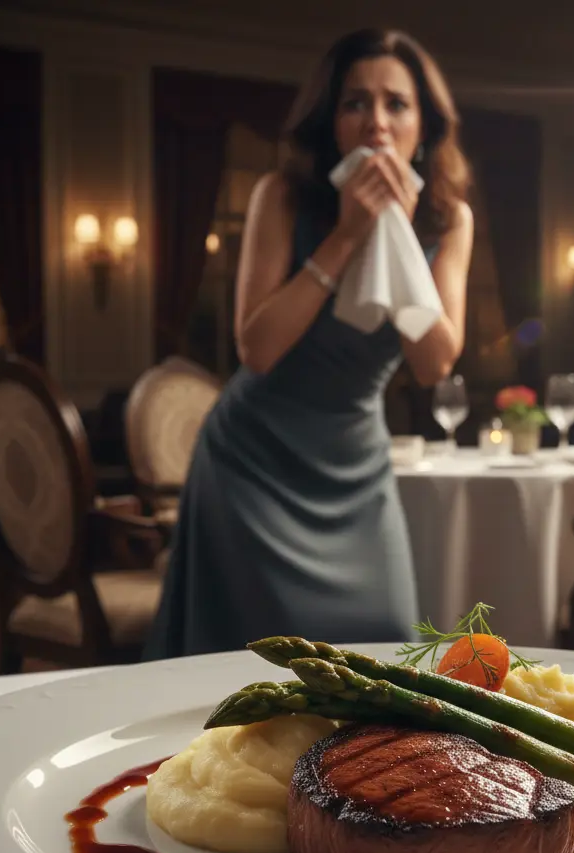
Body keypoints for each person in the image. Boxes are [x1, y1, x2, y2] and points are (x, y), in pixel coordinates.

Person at [143, 28, 474, 659]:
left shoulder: (448, 219)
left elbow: (434, 362)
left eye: (396, 104)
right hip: (252, 464)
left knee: (387, 643)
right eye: (355, 103)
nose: (376, 122)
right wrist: (348, 235)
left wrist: (397, 234)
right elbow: (257, 349)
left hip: (356, 468)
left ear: (424, 126)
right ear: (331, 122)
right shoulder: (284, 197)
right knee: (255, 665)